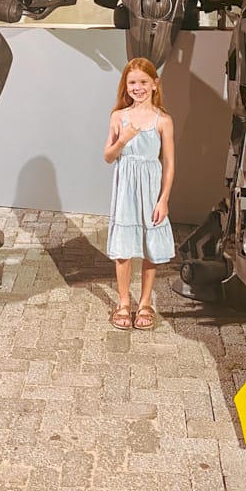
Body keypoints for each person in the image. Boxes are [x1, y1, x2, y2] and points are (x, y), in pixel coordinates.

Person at [103, 57, 175, 330]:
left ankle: (144, 302)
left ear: (154, 84)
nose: (138, 87)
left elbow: (169, 163)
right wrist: (123, 139)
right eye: (132, 82)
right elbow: (108, 156)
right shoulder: (118, 117)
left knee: (150, 249)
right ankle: (123, 302)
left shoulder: (163, 121)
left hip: (150, 191)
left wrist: (164, 199)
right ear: (126, 86)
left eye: (143, 82)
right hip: (125, 192)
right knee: (123, 250)